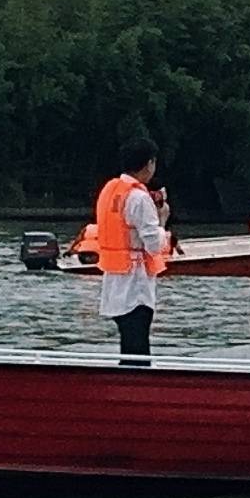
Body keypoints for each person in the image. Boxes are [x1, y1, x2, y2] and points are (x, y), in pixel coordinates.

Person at [93, 149, 173, 359]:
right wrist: (162, 220)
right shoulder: (139, 197)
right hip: (136, 284)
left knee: (127, 343)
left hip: (114, 280)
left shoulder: (110, 190)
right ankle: (137, 389)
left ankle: (126, 385)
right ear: (149, 163)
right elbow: (154, 244)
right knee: (138, 348)